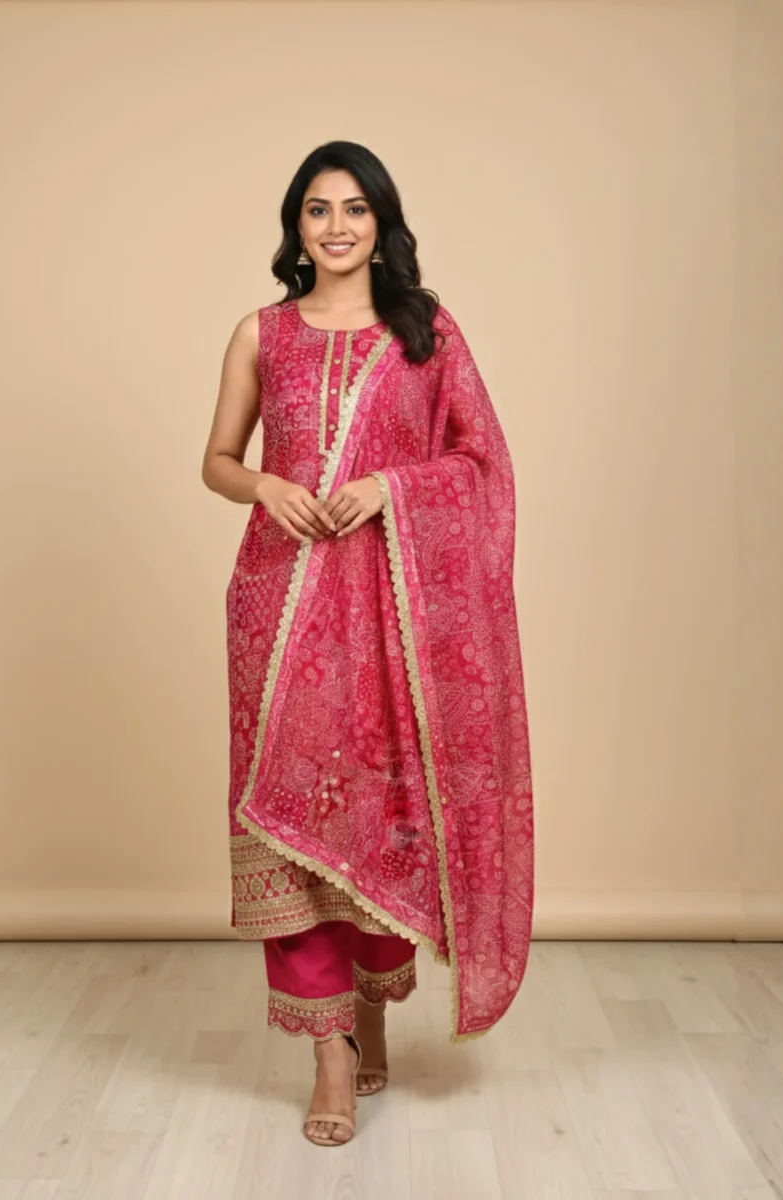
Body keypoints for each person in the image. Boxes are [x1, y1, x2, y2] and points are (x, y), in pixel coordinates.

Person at [202, 141, 533, 1147]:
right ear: (295, 226)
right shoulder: (261, 333)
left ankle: (372, 1003)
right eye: (318, 209)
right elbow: (216, 461)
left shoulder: (426, 333)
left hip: (393, 616)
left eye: (355, 208)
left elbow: (483, 463)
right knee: (288, 816)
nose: (337, 226)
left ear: (382, 224)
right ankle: (331, 1051)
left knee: (383, 813)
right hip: (279, 605)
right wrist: (267, 484)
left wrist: (393, 487)